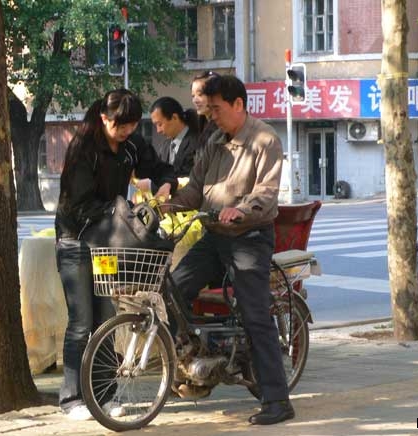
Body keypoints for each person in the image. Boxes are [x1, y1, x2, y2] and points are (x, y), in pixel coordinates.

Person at [163, 74, 294, 425]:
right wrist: (167, 204)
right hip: (214, 236)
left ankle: (278, 400)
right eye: (209, 109)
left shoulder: (265, 139)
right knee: (172, 290)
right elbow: (195, 190)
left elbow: (266, 193)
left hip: (249, 237)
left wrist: (241, 209)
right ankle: (194, 364)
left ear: (238, 104)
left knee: (255, 315)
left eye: (217, 109)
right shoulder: (214, 140)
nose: (212, 116)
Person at [54, 88, 177, 421]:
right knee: (81, 322)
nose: (126, 132)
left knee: (106, 318)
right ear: (104, 117)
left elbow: (158, 167)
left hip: (108, 243)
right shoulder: (84, 149)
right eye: (120, 125)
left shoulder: (132, 145)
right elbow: (78, 205)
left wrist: (167, 184)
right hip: (76, 242)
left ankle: (103, 396)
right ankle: (71, 398)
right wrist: (122, 210)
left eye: (132, 126)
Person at [149, 96, 200, 177]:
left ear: (174, 117)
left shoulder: (197, 143)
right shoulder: (166, 146)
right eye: (156, 125)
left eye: (160, 124)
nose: (158, 130)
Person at [191, 71, 220, 149]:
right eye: (193, 96)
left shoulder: (223, 126)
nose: (195, 100)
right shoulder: (198, 123)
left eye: (200, 94)